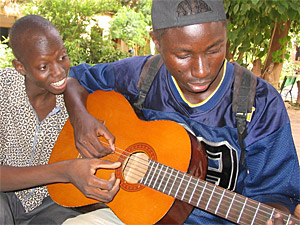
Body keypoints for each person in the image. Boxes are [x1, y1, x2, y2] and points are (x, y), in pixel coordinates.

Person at [64, 0, 300, 224]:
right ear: (157, 41)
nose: (200, 70)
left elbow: (277, 194)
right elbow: (75, 79)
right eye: (183, 55)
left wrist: (275, 216)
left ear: (226, 34)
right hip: (132, 215)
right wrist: (81, 120)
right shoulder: (142, 76)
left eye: (214, 50)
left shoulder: (259, 102)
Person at [0, 15, 121, 225]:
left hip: (50, 204)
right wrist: (66, 171)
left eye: (62, 57)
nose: (58, 72)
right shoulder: (5, 89)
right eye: (43, 67)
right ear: (20, 67)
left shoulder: (72, 103)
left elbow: (74, 84)